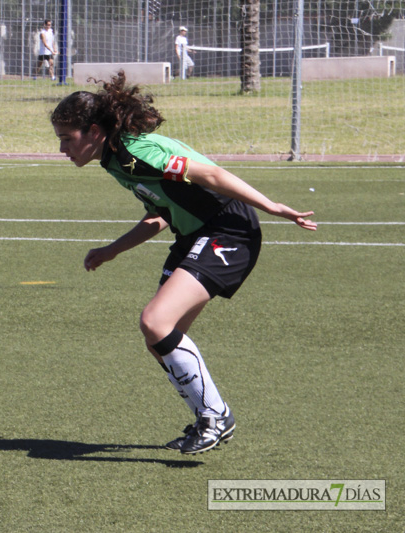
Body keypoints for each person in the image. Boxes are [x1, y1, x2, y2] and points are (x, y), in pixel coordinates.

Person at [50, 72, 316, 455]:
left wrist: (273, 207)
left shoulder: (137, 151)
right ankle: (207, 418)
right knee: (159, 341)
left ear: (93, 131)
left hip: (228, 229)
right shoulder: (113, 160)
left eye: (66, 139)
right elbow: (160, 214)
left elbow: (211, 174)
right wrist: (113, 250)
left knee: (155, 321)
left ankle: (215, 416)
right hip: (194, 235)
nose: (62, 149)